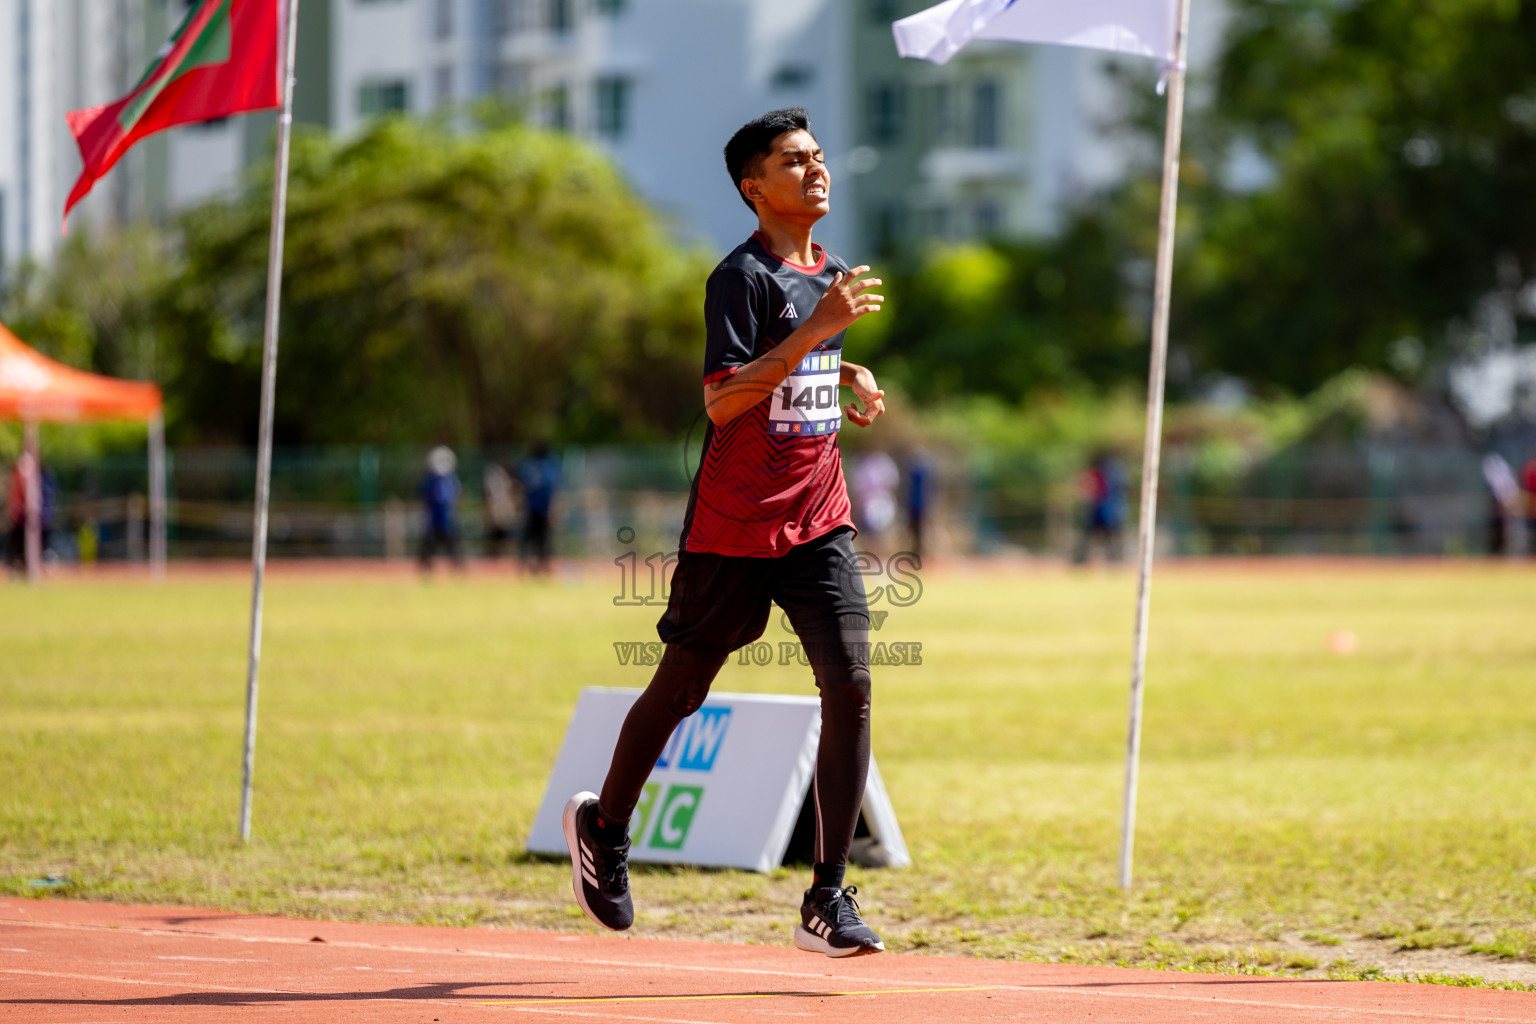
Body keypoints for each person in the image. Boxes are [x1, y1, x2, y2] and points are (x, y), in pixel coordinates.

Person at [562, 108, 889, 958]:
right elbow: (723, 396)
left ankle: (827, 895)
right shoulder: (737, 278)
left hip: (819, 518)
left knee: (850, 683)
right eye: (794, 161)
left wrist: (846, 369)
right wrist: (821, 334)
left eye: (819, 157)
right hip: (735, 526)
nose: (817, 170)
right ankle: (605, 825)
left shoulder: (834, 272)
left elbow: (802, 356)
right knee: (680, 689)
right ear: (755, 187)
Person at [1074, 451, 1128, 564]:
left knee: (1100, 537)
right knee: (1110, 538)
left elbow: (1091, 490)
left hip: (1102, 511)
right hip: (1112, 511)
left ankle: (1082, 560)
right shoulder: (1117, 472)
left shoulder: (1102, 473)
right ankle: (1115, 560)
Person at [418, 446, 463, 571]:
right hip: (436, 521)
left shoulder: (448, 480)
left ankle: (457, 568)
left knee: (453, 549)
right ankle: (425, 567)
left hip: (445, 521)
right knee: (429, 548)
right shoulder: (432, 481)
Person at [518, 443, 561, 573]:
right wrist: (552, 509)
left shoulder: (528, 466)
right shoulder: (548, 467)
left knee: (529, 540)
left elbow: (523, 487)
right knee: (543, 540)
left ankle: (526, 566)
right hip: (542, 509)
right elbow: (551, 489)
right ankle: (543, 567)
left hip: (531, 509)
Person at [851, 450, 899, 551]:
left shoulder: (885, 462)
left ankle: (881, 553)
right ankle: (873, 553)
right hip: (869, 502)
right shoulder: (864, 464)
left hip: (883, 500)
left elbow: (893, 482)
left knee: (882, 530)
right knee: (869, 532)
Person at [482, 461, 519, 559]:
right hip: (498, 512)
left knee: (502, 539)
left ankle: (499, 558)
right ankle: (494, 558)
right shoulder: (497, 477)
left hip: (501, 512)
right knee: (496, 539)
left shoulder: (502, 478)